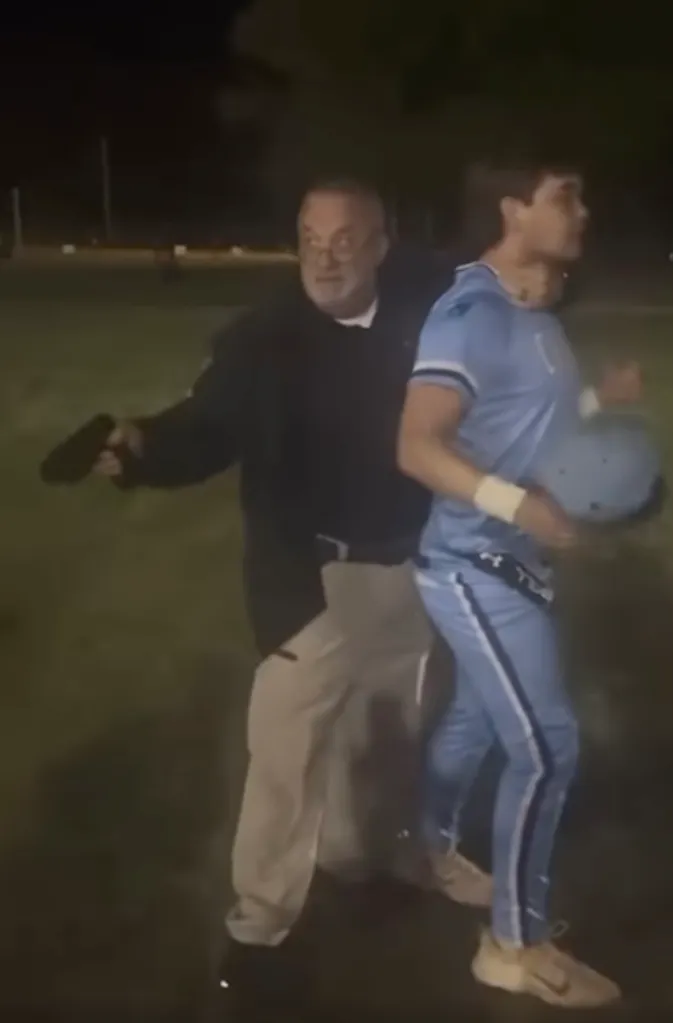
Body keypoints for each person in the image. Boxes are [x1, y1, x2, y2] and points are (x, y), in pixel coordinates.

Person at [91, 179, 491, 984]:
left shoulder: (427, 304)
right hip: (308, 578)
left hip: (409, 568)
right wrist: (140, 448)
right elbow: (205, 427)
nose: (324, 254)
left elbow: (503, 292)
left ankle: (365, 865)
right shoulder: (262, 339)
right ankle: (259, 929)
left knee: (387, 738)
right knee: (287, 761)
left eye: (346, 238)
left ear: (383, 245)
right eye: (310, 236)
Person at [398, 150, 641, 1008]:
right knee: (548, 746)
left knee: (472, 715)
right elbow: (416, 444)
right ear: (512, 212)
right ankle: (512, 941)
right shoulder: (470, 312)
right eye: (564, 197)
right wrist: (518, 506)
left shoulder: (536, 311)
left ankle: (425, 845)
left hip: (514, 562)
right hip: (473, 565)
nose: (582, 212)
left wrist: (595, 405)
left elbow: (523, 422)